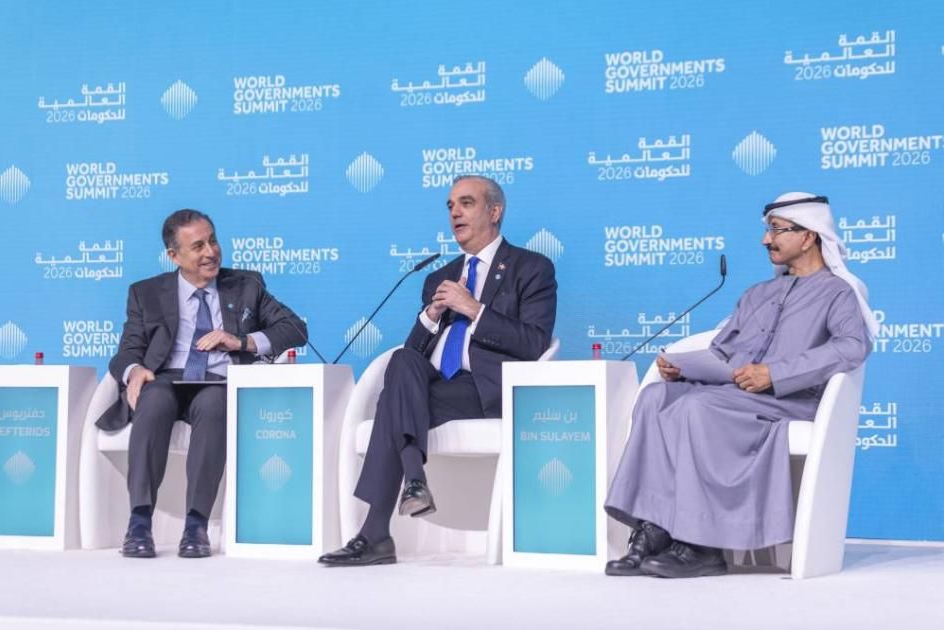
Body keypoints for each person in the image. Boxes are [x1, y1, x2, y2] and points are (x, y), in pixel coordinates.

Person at [604, 192, 876, 578]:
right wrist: (684, 369)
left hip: (788, 399)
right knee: (655, 395)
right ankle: (655, 527)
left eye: (777, 230)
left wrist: (775, 373)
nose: (766, 240)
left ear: (809, 236)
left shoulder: (838, 293)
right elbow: (724, 352)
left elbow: (852, 347)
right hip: (734, 395)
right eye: (767, 231)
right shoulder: (757, 294)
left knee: (697, 407)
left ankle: (702, 546)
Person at [319, 175, 557, 566]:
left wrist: (473, 309)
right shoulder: (438, 278)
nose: (455, 213)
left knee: (393, 403)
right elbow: (413, 353)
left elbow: (534, 343)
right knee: (402, 362)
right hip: (432, 386)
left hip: (485, 389)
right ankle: (412, 483)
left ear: (495, 211)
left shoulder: (531, 268)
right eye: (450, 206)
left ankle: (378, 529)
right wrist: (432, 314)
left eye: (466, 203)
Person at [98, 209, 307, 558]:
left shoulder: (246, 285)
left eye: (213, 241)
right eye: (198, 246)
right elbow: (126, 352)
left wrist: (241, 341)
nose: (211, 252)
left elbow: (296, 329)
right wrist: (134, 370)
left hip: (218, 381)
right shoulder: (146, 293)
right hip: (165, 378)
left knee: (214, 406)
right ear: (174, 256)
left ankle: (196, 525)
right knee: (153, 401)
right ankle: (139, 523)